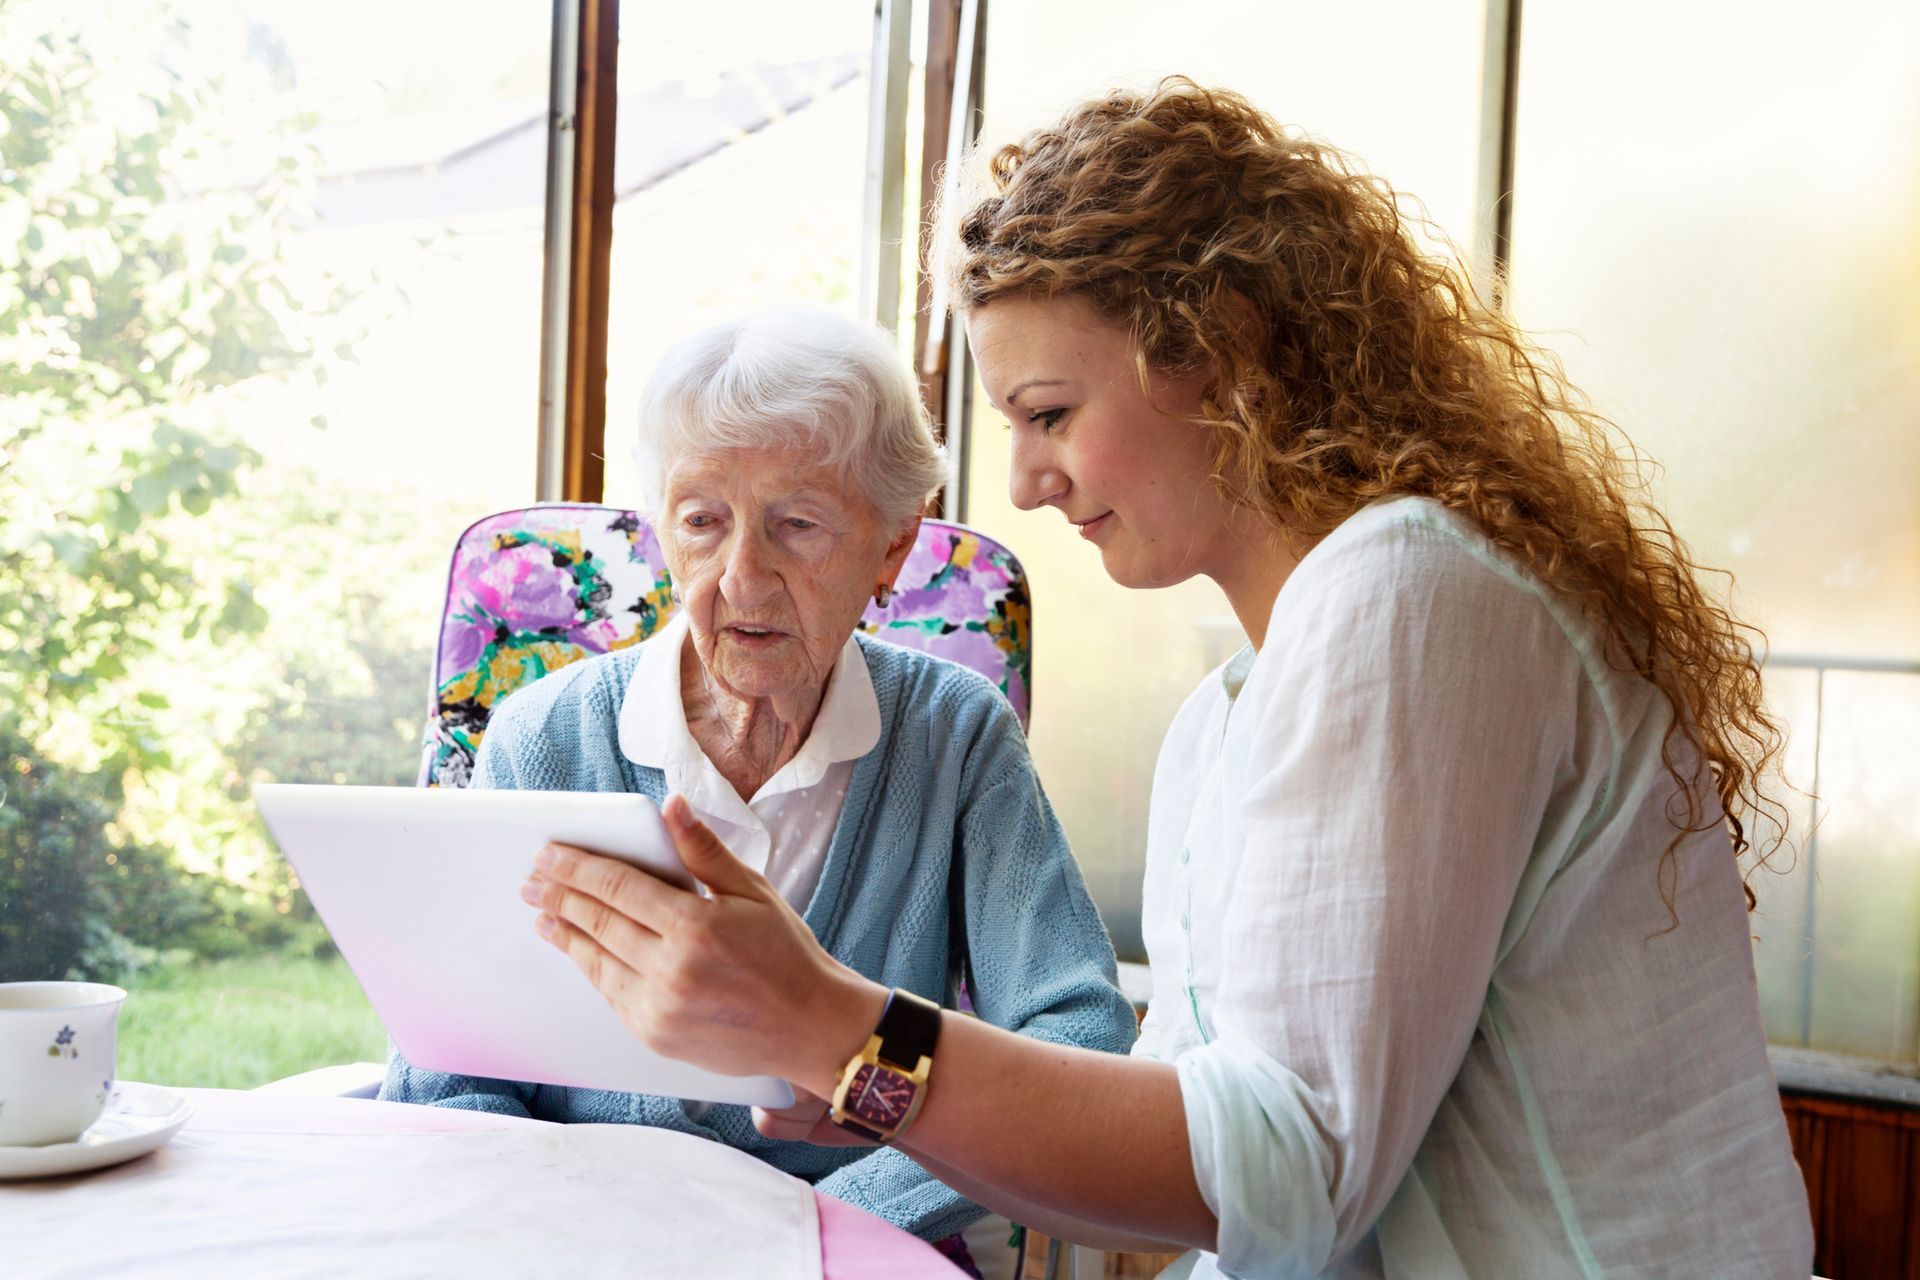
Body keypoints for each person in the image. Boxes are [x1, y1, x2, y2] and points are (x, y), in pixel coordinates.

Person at [517, 81, 1815, 1278]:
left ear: (1225, 349)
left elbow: (1290, 1166)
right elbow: (1163, 1164)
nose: (1021, 483)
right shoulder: (1230, 719)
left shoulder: (1412, 596)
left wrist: (835, 1026)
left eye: (1047, 412)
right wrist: (850, 1064)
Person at [380, 307, 1139, 1257]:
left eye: (799, 525)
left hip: (846, 1246)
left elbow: (1077, 1036)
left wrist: (830, 1223)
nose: (743, 578)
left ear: (892, 550)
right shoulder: (544, 737)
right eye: (703, 522)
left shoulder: (955, 736)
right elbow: (450, 1058)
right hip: (575, 1241)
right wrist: (567, 1229)